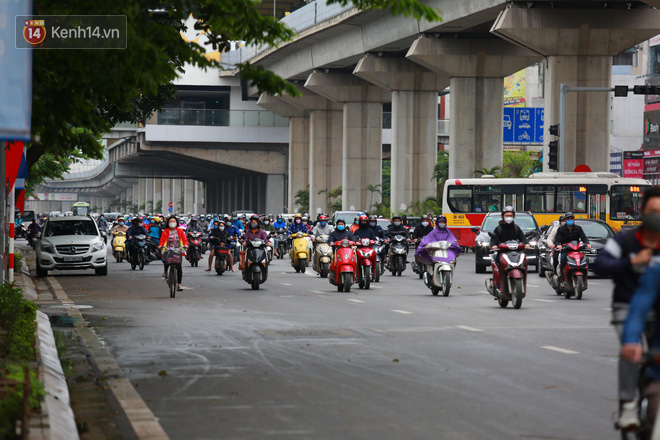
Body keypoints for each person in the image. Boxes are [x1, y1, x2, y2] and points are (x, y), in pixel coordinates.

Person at [594, 186, 660, 429]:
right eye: (654, 211)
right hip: (627, 305)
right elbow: (601, 264)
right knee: (630, 352)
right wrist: (631, 261)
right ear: (643, 212)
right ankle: (629, 405)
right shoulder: (626, 240)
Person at [620, 264, 660, 432]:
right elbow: (638, 310)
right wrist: (631, 340)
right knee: (653, 409)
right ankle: (630, 407)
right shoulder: (655, 273)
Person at [554, 212, 591, 283]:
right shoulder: (561, 229)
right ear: (565, 220)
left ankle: (585, 278)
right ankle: (562, 279)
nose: (570, 220)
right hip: (565, 250)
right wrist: (558, 245)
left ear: (574, 219)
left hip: (576, 250)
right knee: (562, 259)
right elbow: (557, 240)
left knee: (585, 259)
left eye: (571, 218)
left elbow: (584, 238)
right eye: (568, 219)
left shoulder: (578, 228)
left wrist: (587, 243)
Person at [158, 215, 189, 291]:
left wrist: (186, 245)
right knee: (166, 261)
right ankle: (165, 272)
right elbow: (162, 240)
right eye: (171, 221)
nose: (172, 223)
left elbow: (184, 239)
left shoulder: (180, 231)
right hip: (168, 249)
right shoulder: (165, 231)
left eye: (174, 221)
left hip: (178, 249)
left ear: (176, 222)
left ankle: (179, 285)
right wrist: (161, 245)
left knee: (179, 267)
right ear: (168, 223)